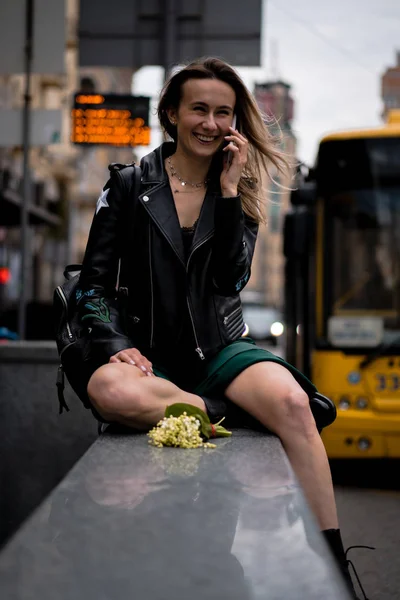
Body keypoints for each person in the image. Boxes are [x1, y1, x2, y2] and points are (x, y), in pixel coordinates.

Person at [76, 57, 365, 598]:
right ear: (172, 114)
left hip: (220, 348)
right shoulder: (125, 187)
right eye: (199, 109)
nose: (210, 123)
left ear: (235, 122)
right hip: (147, 352)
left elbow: (231, 278)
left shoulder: (240, 193)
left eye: (223, 112)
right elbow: (92, 286)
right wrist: (115, 345)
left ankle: (332, 562)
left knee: (295, 406)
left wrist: (230, 194)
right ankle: (215, 409)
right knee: (111, 389)